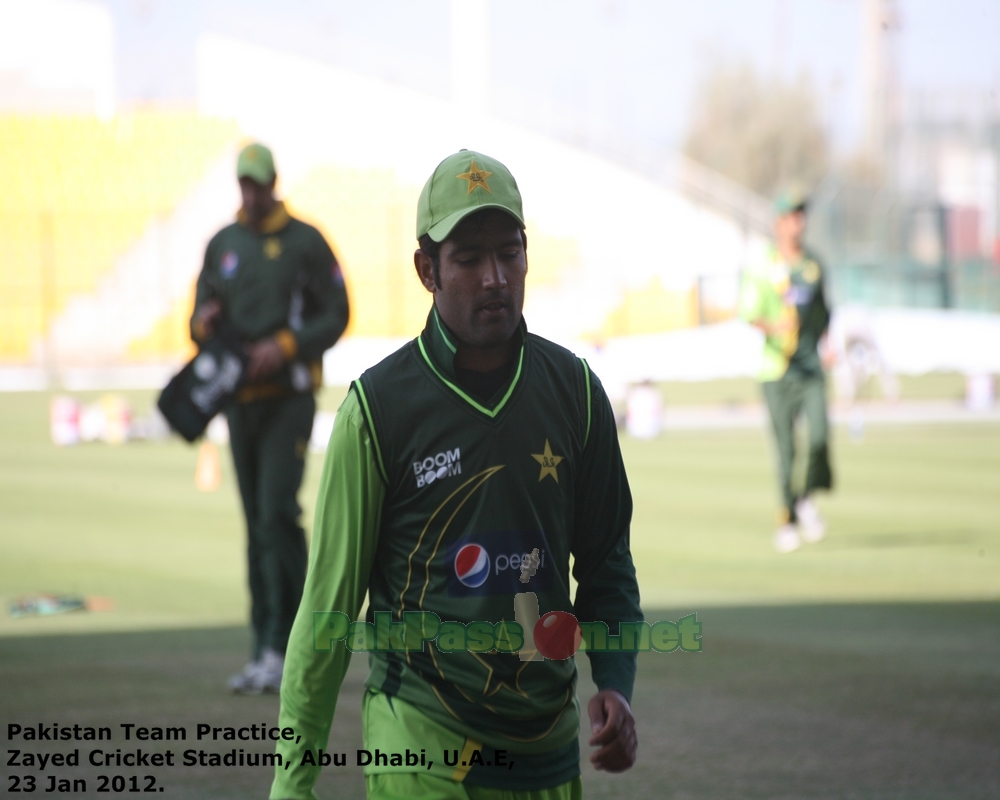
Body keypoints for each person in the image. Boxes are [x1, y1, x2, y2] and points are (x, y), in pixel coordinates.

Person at [270, 150, 641, 800]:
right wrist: (292, 785)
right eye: (469, 258)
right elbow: (326, 612)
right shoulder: (377, 411)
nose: (495, 277)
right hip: (422, 756)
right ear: (427, 269)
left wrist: (615, 682)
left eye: (509, 252)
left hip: (550, 759)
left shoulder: (577, 392)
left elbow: (607, 565)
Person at [189, 142, 349, 692]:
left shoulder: (306, 241)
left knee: (277, 512)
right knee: (256, 523)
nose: (251, 193)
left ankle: (296, 644)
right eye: (244, 184)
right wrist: (205, 322)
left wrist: (285, 346)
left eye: (259, 183)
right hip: (239, 401)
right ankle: (264, 649)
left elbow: (338, 312)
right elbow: (197, 317)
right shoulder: (223, 244)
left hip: (290, 396)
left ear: (274, 181)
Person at [739, 190, 833, 553]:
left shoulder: (812, 265)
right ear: (779, 222)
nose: (799, 222)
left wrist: (827, 343)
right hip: (776, 370)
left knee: (820, 437)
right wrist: (775, 327)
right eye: (792, 215)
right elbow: (749, 312)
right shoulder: (763, 264)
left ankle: (806, 496)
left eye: (802, 214)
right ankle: (788, 518)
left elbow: (825, 310)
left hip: (810, 367)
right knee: (786, 451)